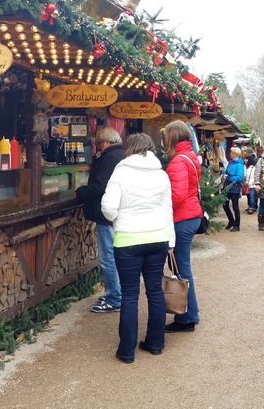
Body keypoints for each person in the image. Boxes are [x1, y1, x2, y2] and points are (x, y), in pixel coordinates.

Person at [100, 134, 174, 363]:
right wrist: (170, 240)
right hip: (158, 238)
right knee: (154, 291)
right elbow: (167, 209)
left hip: (128, 240)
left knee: (130, 295)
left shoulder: (121, 172)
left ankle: (127, 351)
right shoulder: (161, 174)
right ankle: (155, 343)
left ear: (130, 148)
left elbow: (108, 207)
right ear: (151, 149)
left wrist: (119, 219)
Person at [76, 127, 125, 314]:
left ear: (105, 142)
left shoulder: (109, 158)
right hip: (117, 213)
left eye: (98, 143)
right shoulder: (122, 155)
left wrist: (81, 193)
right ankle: (117, 293)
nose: (97, 147)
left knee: (108, 258)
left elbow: (100, 186)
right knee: (115, 255)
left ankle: (114, 298)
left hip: (106, 214)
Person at [164, 120, 204, 332]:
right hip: (191, 214)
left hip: (182, 217)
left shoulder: (178, 161)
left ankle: (187, 317)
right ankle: (190, 313)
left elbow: (177, 196)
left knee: (181, 267)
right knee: (181, 266)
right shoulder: (189, 156)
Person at [222, 147, 245, 231]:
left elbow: (240, 177)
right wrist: (224, 175)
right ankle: (231, 221)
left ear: (235, 154)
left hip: (234, 187)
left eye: (231, 153)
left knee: (235, 207)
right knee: (225, 205)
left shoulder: (239, 165)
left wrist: (228, 178)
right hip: (227, 186)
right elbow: (226, 171)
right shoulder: (230, 163)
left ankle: (237, 225)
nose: (230, 154)